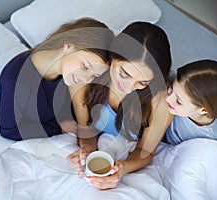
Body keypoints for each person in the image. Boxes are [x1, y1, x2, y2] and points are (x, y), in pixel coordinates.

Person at [67, 21, 174, 190]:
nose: (129, 87)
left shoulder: (161, 99)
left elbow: (145, 152)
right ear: (112, 56)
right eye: (124, 74)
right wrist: (87, 149)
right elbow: (85, 126)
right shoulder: (88, 76)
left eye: (142, 82)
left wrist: (122, 168)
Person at [0, 18, 115, 141]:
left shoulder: (72, 72)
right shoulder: (15, 81)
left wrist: (85, 134)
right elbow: (8, 130)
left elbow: (81, 109)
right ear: (68, 46)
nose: (87, 80)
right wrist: (58, 128)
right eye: (85, 67)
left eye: (95, 75)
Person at [165, 59, 217, 144]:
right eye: (171, 89)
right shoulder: (181, 86)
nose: (168, 98)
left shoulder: (208, 141)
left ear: (203, 110)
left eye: (178, 101)